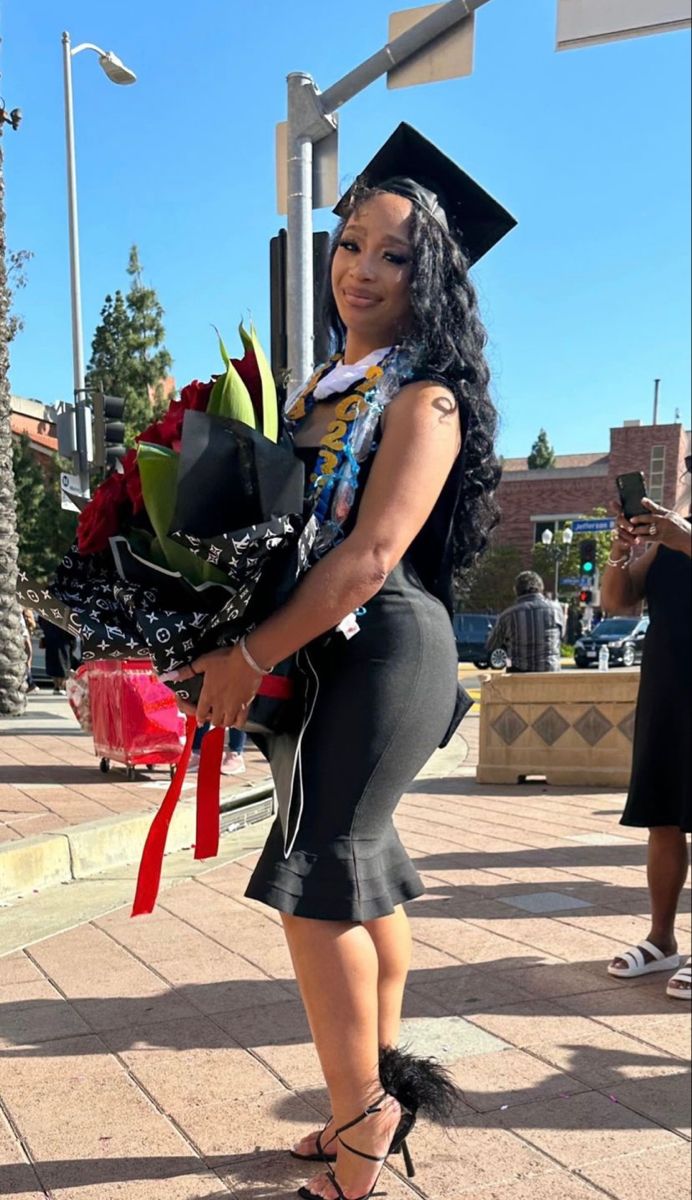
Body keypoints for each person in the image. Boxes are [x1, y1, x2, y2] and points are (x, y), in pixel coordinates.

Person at [173, 122, 516, 1200]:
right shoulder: (315, 388)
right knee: (357, 883)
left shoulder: (424, 399)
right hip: (318, 655)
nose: (360, 270)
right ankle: (365, 1095)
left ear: (436, 278)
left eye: (393, 255)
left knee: (316, 880)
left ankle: (361, 1123)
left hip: (378, 648)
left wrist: (245, 654)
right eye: (348, 245)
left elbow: (369, 557)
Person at [604, 471, 691, 1001]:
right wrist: (624, 545)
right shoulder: (666, 535)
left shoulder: (679, 532)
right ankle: (662, 939)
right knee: (663, 813)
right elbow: (618, 601)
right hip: (667, 683)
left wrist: (682, 537)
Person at [486, 570, 565, 672]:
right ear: (541, 588)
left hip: (519, 677)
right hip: (550, 675)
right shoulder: (556, 610)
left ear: (516, 590)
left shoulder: (507, 615)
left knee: (510, 662)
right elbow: (561, 636)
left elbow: (491, 645)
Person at [37, 617, 76, 694]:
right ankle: (60, 686)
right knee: (62, 664)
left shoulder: (47, 610)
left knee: (55, 664)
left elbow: (41, 621)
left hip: (52, 639)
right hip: (63, 639)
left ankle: (57, 686)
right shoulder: (65, 610)